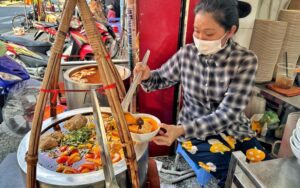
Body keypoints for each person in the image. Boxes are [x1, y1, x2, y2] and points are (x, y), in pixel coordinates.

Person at [134, 0, 270, 186]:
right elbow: (160, 79)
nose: (199, 38)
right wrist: (147, 75)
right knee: (233, 173)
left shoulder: (245, 60)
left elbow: (228, 114)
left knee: (261, 172)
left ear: (230, 31)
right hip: (194, 133)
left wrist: (181, 129)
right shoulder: (187, 54)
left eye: (209, 33)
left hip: (233, 129)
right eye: (196, 31)